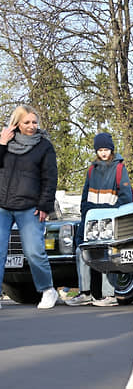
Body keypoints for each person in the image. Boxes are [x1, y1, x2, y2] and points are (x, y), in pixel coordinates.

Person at [0, 104, 59, 309]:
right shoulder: (5, 141)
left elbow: (50, 178)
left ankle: (47, 290)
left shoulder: (44, 146)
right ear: (17, 123)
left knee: (34, 251)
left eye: (34, 122)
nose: (32, 126)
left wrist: (45, 205)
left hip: (29, 207)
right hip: (2, 207)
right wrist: (1, 144)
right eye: (27, 122)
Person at [66, 132, 133, 307]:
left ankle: (109, 294)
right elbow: (84, 196)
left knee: (106, 254)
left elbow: (126, 199)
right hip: (90, 221)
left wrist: (106, 212)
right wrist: (86, 213)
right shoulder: (91, 170)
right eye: (100, 149)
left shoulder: (119, 169)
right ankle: (85, 293)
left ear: (111, 150)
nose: (103, 153)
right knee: (82, 251)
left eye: (106, 149)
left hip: (109, 221)